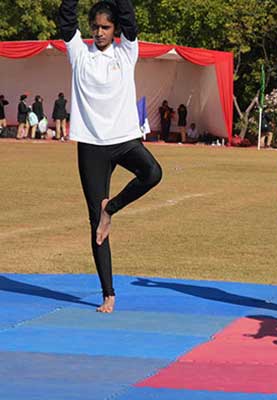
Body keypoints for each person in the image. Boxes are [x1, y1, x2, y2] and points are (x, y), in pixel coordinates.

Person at [58, 0, 163, 313]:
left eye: (105, 27)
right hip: (91, 146)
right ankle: (108, 294)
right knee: (95, 224)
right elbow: (66, 19)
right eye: (95, 27)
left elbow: (129, 15)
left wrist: (113, 206)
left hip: (124, 140)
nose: (99, 32)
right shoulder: (79, 54)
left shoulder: (126, 52)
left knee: (153, 173)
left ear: (115, 29)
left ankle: (111, 208)